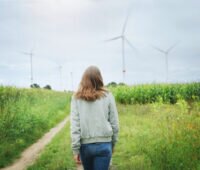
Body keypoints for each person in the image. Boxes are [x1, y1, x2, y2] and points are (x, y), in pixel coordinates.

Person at [70, 66, 119, 170]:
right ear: (99, 78)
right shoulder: (108, 95)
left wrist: (75, 150)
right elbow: (115, 123)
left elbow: (75, 126)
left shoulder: (76, 97)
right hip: (105, 145)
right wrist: (113, 144)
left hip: (85, 147)